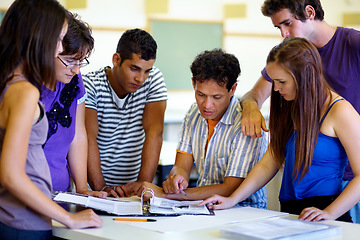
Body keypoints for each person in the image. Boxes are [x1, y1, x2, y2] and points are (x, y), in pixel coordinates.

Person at [200, 38, 360, 222]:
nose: (276, 89)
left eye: (281, 81)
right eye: (273, 81)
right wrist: (233, 199)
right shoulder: (292, 105)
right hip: (290, 212)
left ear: (304, 76)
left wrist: (329, 213)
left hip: (326, 213)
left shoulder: (340, 110)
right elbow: (271, 160)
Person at [240, 0, 360, 223]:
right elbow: (254, 94)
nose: (284, 34)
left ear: (309, 12)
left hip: (348, 180)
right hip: (302, 191)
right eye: (278, 28)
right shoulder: (289, 61)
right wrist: (251, 107)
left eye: (287, 23)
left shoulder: (352, 43)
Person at [0, 0, 102, 239]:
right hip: (22, 221)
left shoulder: (9, 83)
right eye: (58, 40)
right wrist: (68, 217)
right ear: (39, 38)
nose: (59, 49)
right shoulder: (25, 92)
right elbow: (11, 174)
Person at [137, 49, 268, 208]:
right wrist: (177, 179)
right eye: (200, 94)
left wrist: (169, 195)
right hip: (202, 207)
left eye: (216, 97)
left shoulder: (245, 123)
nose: (207, 105)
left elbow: (230, 188)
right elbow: (181, 166)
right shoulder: (193, 114)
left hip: (243, 211)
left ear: (233, 89)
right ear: (193, 83)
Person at [83, 28, 168, 198]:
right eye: (134, 69)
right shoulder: (89, 84)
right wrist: (102, 188)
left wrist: (141, 187)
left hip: (132, 189)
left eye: (147, 71)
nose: (141, 79)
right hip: (92, 190)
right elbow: (88, 138)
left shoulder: (153, 80)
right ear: (116, 60)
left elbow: (154, 134)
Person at [41, 13, 105, 198]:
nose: (76, 70)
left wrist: (82, 188)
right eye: (70, 61)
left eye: (81, 61)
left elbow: (78, 135)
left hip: (60, 192)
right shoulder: (24, 87)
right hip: (25, 195)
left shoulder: (73, 80)